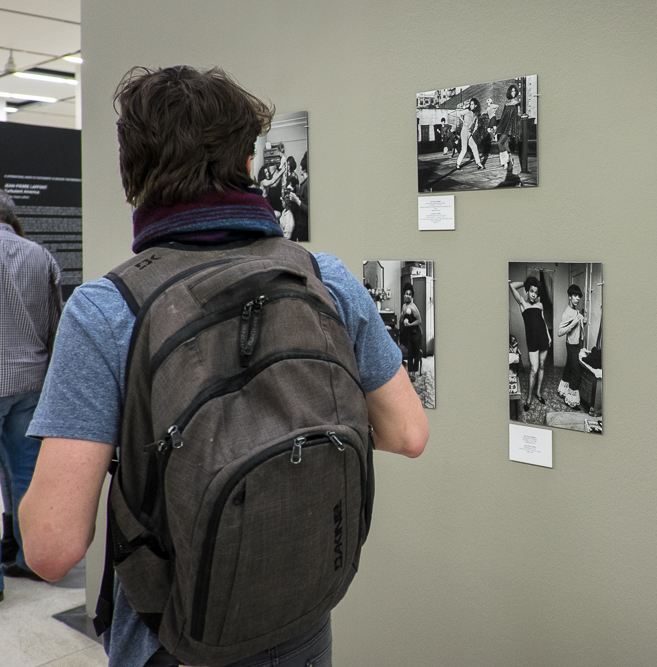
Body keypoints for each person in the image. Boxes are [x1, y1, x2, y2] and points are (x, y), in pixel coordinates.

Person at [19, 65, 428, 667]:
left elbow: (50, 548)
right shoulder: (324, 278)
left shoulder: (108, 310)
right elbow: (408, 434)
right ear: (247, 165)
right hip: (302, 622)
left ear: (133, 177)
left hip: (173, 641)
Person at [0, 189, 62, 603]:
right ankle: (30, 559)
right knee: (26, 474)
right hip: (29, 381)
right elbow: (57, 323)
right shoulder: (40, 255)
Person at [509, 276, 550, 410]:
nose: (534, 294)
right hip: (532, 339)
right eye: (531, 291)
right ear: (527, 291)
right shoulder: (522, 304)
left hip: (543, 337)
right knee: (534, 369)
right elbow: (511, 286)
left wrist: (549, 336)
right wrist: (527, 283)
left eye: (536, 292)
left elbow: (543, 321)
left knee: (542, 366)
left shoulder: (540, 305)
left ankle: (538, 392)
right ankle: (528, 398)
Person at [556, 285, 587, 409]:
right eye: (575, 296)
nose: (578, 299)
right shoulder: (567, 313)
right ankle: (571, 400)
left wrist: (582, 322)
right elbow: (559, 332)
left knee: (569, 367)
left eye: (579, 296)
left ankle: (562, 391)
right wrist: (574, 323)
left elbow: (577, 326)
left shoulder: (576, 311)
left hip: (576, 344)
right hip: (572, 346)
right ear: (569, 297)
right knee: (576, 373)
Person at [495, 83, 526, 176]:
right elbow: (503, 116)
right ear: (509, 92)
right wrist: (498, 127)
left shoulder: (517, 104)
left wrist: (517, 129)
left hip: (511, 126)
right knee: (505, 144)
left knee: (500, 142)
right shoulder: (506, 104)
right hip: (505, 125)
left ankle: (505, 161)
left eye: (514, 91)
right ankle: (509, 160)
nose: (513, 92)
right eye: (512, 91)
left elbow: (519, 115)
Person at [452, 97, 484, 171]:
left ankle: (479, 164)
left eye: (472, 104)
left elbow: (476, 125)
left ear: (476, 105)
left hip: (469, 133)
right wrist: (463, 122)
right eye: (470, 104)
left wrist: (472, 132)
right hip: (464, 131)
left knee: (474, 146)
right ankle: (457, 164)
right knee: (464, 149)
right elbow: (459, 114)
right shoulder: (467, 111)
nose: (471, 105)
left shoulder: (475, 115)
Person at [400, 283, 423, 380]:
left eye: (410, 294)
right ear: (404, 295)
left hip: (416, 333)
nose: (407, 296)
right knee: (410, 353)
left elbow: (419, 320)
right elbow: (401, 319)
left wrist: (410, 324)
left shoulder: (413, 307)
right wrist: (403, 316)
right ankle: (409, 372)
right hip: (409, 333)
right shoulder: (404, 306)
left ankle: (413, 373)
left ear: (412, 296)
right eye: (406, 294)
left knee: (415, 353)